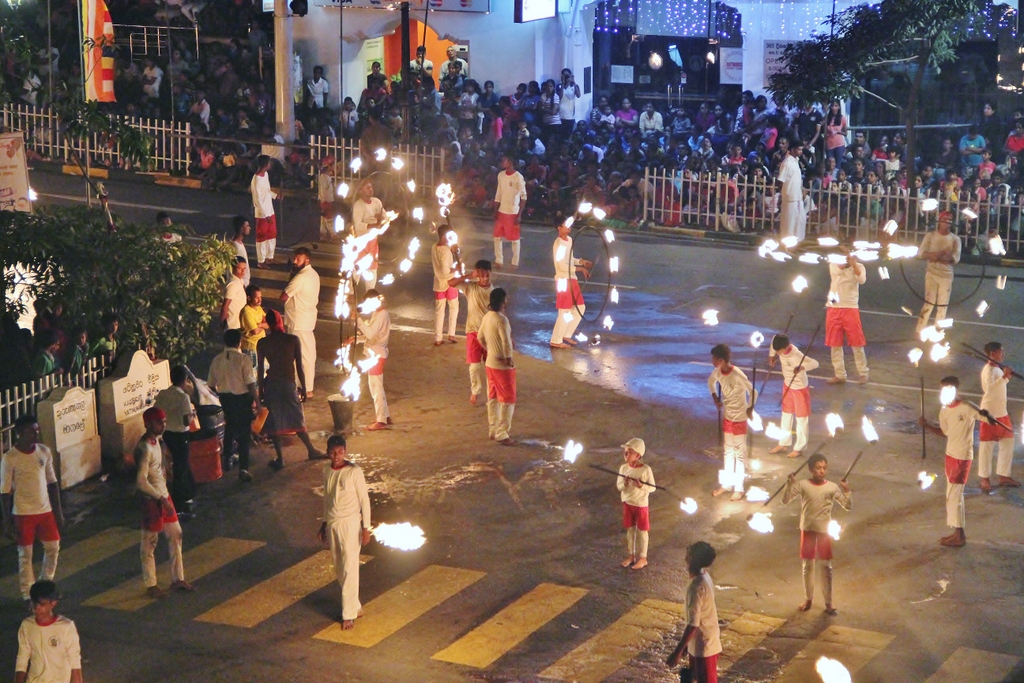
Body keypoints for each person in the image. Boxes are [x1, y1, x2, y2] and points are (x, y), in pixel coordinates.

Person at [1, 415, 62, 607]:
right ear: (19, 433)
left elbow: (52, 483)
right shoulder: (10, 458)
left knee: (53, 547)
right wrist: (7, 521)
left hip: (45, 510)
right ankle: (28, 594)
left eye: (37, 429)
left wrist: (58, 512)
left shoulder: (44, 452)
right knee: (25, 555)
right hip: (23, 513)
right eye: (31, 430)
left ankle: (45, 584)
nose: (36, 433)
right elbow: (4, 492)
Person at [134, 407, 193, 598]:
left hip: (163, 496)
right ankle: (151, 584)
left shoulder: (157, 442)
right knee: (149, 543)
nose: (163, 425)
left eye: (164, 421)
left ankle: (178, 579)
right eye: (160, 422)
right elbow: (141, 481)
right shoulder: (144, 448)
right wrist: (161, 499)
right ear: (148, 424)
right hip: (152, 500)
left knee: (176, 534)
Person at [782, 453, 851, 615]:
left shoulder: (832, 487)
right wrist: (789, 484)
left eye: (824, 468)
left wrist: (847, 491)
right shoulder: (803, 485)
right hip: (807, 530)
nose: (822, 471)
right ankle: (808, 599)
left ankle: (828, 602)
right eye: (818, 468)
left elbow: (847, 506)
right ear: (811, 469)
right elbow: (785, 500)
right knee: (807, 566)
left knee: (826, 567)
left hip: (824, 532)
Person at [257, 310, 324, 469]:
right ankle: (311, 450)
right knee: (296, 417)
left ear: (268, 323)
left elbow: (260, 370)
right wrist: (305, 388)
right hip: (288, 384)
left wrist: (261, 391)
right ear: (280, 321)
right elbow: (299, 366)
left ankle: (280, 459)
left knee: (274, 421)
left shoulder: (263, 343)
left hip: (272, 384)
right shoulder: (292, 340)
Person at [317, 434, 372, 630]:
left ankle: (348, 614)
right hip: (333, 523)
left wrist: (366, 528)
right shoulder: (326, 471)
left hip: (350, 524)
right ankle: (355, 606)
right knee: (339, 567)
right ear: (328, 453)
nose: (337, 455)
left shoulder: (354, 472)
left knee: (350, 567)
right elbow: (327, 499)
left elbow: (364, 500)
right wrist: (324, 524)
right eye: (333, 452)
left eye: (340, 452)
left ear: (345, 452)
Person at [920, 376, 981, 547]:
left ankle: (959, 535)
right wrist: (927, 425)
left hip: (962, 456)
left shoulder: (967, 407)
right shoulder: (945, 410)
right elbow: (944, 432)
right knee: (953, 496)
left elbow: (986, 418)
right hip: (950, 455)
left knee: (954, 496)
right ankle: (957, 532)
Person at [666, 542, 721, 683]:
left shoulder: (696, 587)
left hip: (704, 647)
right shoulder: (704, 576)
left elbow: (693, 625)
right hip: (701, 643)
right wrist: (688, 646)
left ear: (690, 559)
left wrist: (677, 652)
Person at [208, 330, 258, 482]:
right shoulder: (244, 359)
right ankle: (243, 468)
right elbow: (250, 383)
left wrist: (222, 393)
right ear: (239, 342)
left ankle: (227, 458)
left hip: (226, 399)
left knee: (230, 427)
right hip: (243, 399)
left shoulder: (217, 360)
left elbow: (211, 384)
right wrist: (257, 401)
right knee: (244, 433)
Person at [708, 345, 754, 501]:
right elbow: (711, 382)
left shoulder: (737, 374)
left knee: (739, 454)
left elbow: (752, 391)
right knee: (728, 451)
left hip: (740, 418)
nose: (712, 361)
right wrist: (716, 399)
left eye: (714, 359)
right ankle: (727, 484)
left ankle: (739, 488)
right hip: (728, 416)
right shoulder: (717, 372)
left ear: (721, 360)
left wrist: (750, 408)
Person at [16, 580, 83, 683]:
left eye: (41, 604)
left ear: (53, 603)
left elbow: (74, 661)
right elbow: (22, 659)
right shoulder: (26, 626)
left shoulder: (66, 627)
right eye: (34, 602)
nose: (36, 608)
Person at [154, 366, 196, 517]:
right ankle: (178, 505)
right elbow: (186, 421)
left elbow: (156, 412)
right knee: (180, 467)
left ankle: (190, 492)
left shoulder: (163, 394)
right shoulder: (183, 397)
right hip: (180, 435)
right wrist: (192, 415)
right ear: (185, 380)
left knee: (181, 464)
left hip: (167, 434)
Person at [977, 342, 1019, 492]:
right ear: (993, 353)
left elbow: (999, 385)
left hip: (1002, 412)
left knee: (1008, 442)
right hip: (990, 413)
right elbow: (989, 388)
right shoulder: (988, 370)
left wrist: (1006, 378)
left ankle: (1003, 475)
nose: (1003, 354)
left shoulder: (996, 369)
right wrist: (1004, 377)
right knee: (987, 446)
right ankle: (984, 478)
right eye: (1001, 351)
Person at [768, 333, 818, 458]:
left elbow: (815, 363)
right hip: (787, 385)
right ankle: (784, 442)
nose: (778, 353)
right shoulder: (779, 346)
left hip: (800, 388)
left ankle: (799, 448)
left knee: (801, 419)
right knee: (786, 415)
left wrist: (802, 367)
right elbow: (774, 339)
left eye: (779, 351)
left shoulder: (796, 355)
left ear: (786, 347)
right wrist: (771, 356)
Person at [281, 247, 321, 398]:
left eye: (299, 259)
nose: (296, 261)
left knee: (301, 356)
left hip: (298, 321)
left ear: (307, 260)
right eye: (295, 258)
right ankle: (305, 387)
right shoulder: (313, 275)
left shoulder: (301, 277)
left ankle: (304, 388)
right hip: (307, 320)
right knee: (307, 355)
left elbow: (284, 296)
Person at [478, 288, 516, 445]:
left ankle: (492, 429)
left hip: (490, 365)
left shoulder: (487, 317)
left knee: (492, 397)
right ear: (503, 302)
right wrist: (508, 358)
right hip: (501, 366)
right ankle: (502, 433)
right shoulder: (502, 320)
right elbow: (506, 342)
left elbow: (480, 337)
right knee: (508, 399)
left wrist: (490, 351)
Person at [825, 250, 869, 384]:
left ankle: (863, 373)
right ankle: (839, 374)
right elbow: (838, 270)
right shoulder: (833, 264)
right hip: (834, 307)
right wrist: (845, 261)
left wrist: (854, 265)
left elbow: (861, 280)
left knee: (857, 342)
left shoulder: (860, 267)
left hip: (850, 307)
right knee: (834, 343)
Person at [549, 220, 592, 349]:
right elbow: (562, 266)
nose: (569, 227)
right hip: (563, 280)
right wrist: (581, 269)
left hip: (571, 279)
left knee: (580, 307)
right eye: (565, 225)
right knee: (564, 310)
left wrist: (581, 262)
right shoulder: (559, 244)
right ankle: (556, 340)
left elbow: (570, 260)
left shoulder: (569, 240)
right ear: (559, 228)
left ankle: (566, 334)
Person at [916, 211, 961, 333]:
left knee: (942, 305)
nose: (947, 222)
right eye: (944, 219)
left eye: (949, 219)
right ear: (939, 221)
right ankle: (920, 329)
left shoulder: (955, 239)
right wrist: (938, 254)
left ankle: (938, 332)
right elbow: (921, 253)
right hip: (931, 273)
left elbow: (954, 258)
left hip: (946, 276)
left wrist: (934, 257)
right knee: (929, 303)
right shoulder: (930, 236)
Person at [353, 290, 391, 431]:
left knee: (376, 388)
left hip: (376, 355)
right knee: (377, 386)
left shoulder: (381, 315)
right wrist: (355, 339)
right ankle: (385, 416)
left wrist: (357, 319)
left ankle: (381, 420)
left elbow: (369, 333)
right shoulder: (379, 313)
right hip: (376, 353)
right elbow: (372, 335)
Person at [457, 260, 494, 405]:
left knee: (490, 365)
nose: (485, 278)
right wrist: (468, 275)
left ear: (491, 274)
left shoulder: (494, 292)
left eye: (487, 275)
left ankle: (492, 392)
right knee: (474, 366)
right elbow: (451, 283)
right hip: (472, 332)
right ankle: (475, 391)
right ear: (477, 275)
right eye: (481, 275)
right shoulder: (470, 288)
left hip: (489, 334)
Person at [617, 437, 655, 570]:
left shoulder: (645, 470)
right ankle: (631, 555)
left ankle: (643, 558)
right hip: (628, 503)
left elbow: (652, 487)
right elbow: (619, 486)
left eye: (629, 452)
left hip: (641, 504)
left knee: (643, 531)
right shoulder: (623, 468)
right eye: (625, 452)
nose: (626, 455)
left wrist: (641, 486)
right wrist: (625, 483)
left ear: (638, 455)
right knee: (630, 530)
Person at [493, 155, 527, 269]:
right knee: (497, 236)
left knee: (514, 238)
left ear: (510, 161)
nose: (502, 162)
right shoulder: (501, 175)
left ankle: (514, 262)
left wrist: (519, 215)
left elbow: (524, 197)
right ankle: (499, 260)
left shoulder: (518, 177)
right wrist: (495, 210)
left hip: (513, 212)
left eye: (504, 160)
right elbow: (498, 193)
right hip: (502, 210)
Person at [351, 180, 384, 291]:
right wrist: (373, 224)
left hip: (373, 243)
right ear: (360, 191)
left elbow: (385, 218)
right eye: (367, 188)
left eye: (371, 187)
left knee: (372, 270)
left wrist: (382, 219)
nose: (371, 189)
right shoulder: (358, 206)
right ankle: (350, 297)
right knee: (357, 271)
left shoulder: (377, 202)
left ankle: (370, 297)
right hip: (361, 243)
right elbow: (358, 226)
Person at [431, 225, 461, 346]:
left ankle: (438, 337)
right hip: (450, 282)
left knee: (439, 311)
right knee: (454, 307)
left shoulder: (434, 247)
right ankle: (451, 334)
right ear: (444, 236)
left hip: (438, 283)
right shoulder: (446, 251)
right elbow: (445, 270)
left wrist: (452, 250)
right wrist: (456, 269)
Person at [250, 155, 277, 268]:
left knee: (271, 234)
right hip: (262, 213)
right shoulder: (256, 180)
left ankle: (269, 257)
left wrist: (275, 195)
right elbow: (257, 200)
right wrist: (265, 215)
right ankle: (261, 261)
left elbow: (267, 191)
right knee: (262, 236)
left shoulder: (265, 175)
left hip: (269, 209)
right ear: (265, 165)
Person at [777, 138, 805, 239]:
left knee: (799, 222)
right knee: (789, 224)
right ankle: (787, 245)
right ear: (792, 149)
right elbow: (780, 181)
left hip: (797, 197)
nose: (801, 152)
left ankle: (796, 243)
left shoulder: (796, 161)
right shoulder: (787, 163)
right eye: (799, 149)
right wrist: (783, 194)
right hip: (789, 198)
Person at [240, 284, 268, 371]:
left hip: (261, 345)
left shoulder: (258, 308)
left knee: (263, 371)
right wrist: (262, 325)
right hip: (251, 347)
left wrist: (259, 325)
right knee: (253, 373)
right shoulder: (246, 312)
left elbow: (269, 322)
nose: (260, 300)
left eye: (260, 297)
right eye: (257, 297)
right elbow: (255, 331)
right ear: (249, 298)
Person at [220, 257, 247, 330]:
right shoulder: (233, 284)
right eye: (239, 268)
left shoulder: (239, 281)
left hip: (239, 322)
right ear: (232, 268)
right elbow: (225, 306)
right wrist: (222, 323)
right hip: (233, 324)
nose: (243, 271)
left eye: (244, 268)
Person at [556, 68, 580, 139]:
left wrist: (574, 82)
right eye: (564, 75)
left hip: (570, 115)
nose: (566, 77)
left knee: (568, 135)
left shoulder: (574, 86)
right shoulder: (559, 86)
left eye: (567, 76)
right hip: (561, 115)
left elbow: (578, 95)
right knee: (561, 135)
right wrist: (563, 83)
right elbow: (560, 97)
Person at [317, 158, 336, 242]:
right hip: (326, 201)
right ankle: (333, 235)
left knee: (324, 219)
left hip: (327, 201)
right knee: (329, 218)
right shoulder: (324, 178)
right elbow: (324, 192)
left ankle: (323, 234)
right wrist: (325, 203)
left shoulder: (326, 177)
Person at [229, 216, 251, 287]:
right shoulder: (236, 247)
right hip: (241, 283)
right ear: (241, 228)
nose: (249, 228)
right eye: (247, 226)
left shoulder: (238, 243)